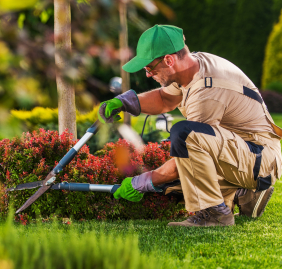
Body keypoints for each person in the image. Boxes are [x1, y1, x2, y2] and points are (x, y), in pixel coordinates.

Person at [98, 25, 282, 227]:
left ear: (169, 60)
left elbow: (184, 158)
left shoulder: (207, 90)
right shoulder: (191, 66)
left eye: (149, 68)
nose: (148, 75)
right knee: (176, 181)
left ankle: (216, 214)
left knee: (183, 137)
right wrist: (125, 102)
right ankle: (245, 194)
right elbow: (165, 98)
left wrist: (140, 183)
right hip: (246, 152)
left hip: (259, 158)